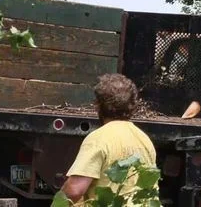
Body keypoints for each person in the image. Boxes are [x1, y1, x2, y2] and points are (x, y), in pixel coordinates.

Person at [59, 74, 156, 204]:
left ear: (98, 105)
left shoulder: (98, 139)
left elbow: (74, 190)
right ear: (132, 105)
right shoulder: (144, 140)